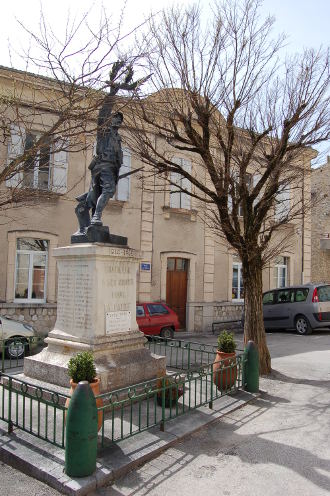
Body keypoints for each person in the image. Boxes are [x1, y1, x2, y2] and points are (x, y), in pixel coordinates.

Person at [74, 110, 123, 233]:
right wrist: (112, 92)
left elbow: (119, 155)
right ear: (109, 119)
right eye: (115, 118)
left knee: (96, 194)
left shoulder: (118, 137)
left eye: (120, 119)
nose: (117, 121)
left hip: (112, 168)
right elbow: (102, 113)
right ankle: (96, 216)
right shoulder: (104, 131)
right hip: (103, 165)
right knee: (109, 190)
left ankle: (86, 213)